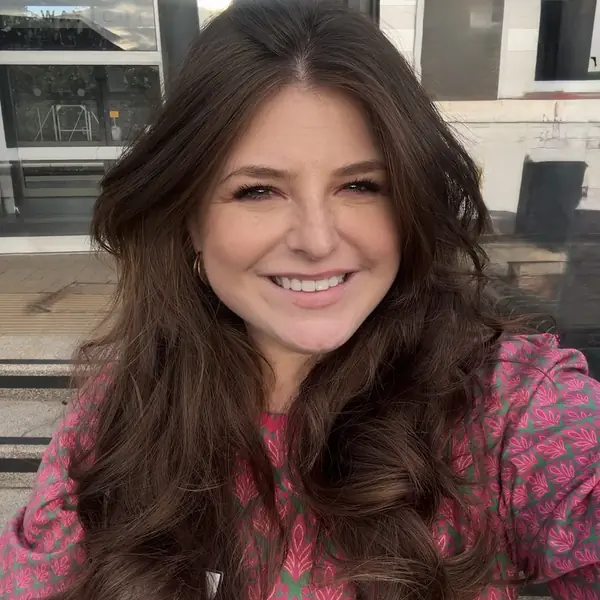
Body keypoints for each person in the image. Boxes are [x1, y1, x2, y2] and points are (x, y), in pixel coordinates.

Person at [1, 1, 599, 599]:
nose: (316, 240)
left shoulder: (508, 405)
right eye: (258, 190)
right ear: (188, 219)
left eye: (360, 185)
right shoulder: (116, 415)